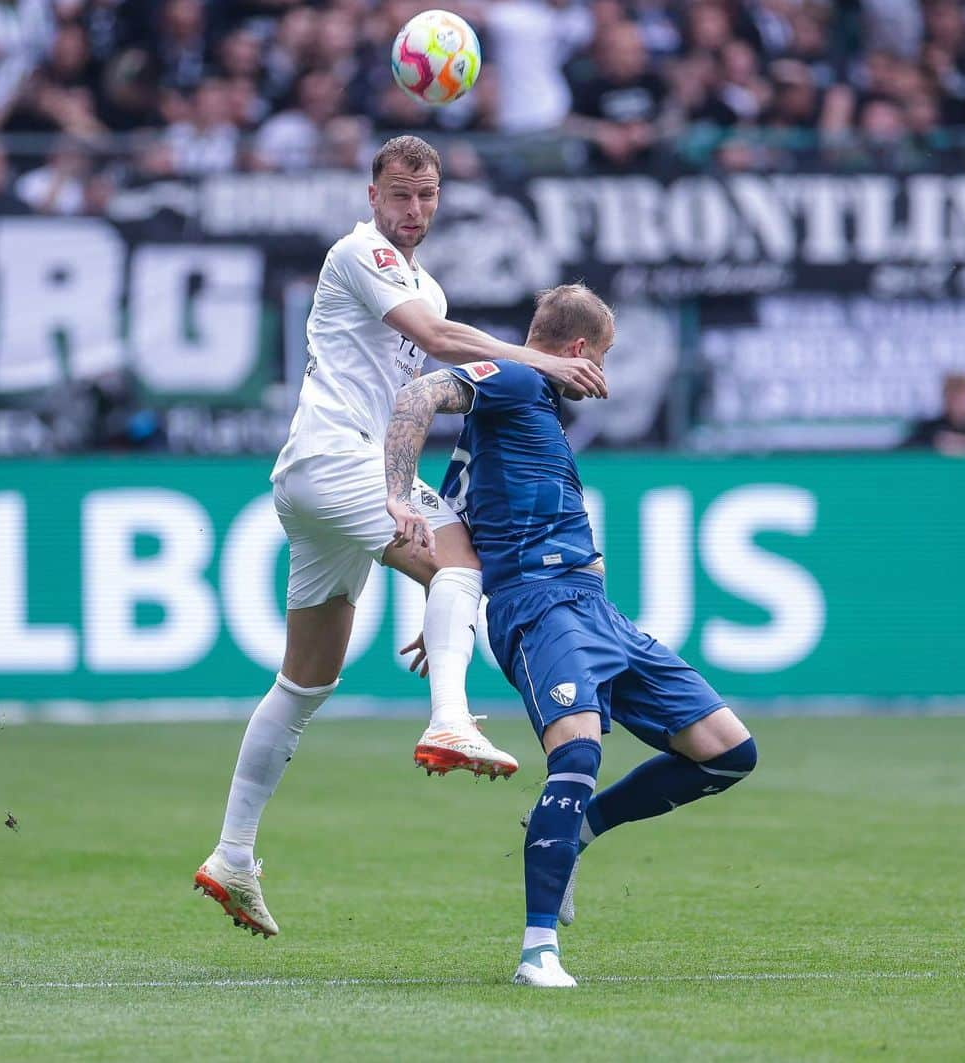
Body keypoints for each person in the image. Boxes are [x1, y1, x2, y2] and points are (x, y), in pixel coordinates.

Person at [194, 137, 608, 939]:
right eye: (401, 195)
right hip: (334, 454)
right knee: (465, 557)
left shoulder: (428, 280)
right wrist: (540, 361)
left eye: (427, 197)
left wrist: (434, 598)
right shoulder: (358, 252)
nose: (413, 211)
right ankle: (449, 715)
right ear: (373, 192)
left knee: (306, 679)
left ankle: (233, 854)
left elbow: (424, 391)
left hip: (322, 480)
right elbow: (440, 341)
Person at [383, 284, 757, 988]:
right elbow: (418, 395)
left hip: (596, 610)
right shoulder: (521, 379)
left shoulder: (532, 415)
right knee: (577, 750)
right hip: (542, 607)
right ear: (579, 351)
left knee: (728, 752)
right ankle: (538, 952)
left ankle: (576, 831)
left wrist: (449, 608)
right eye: (605, 359)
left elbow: (466, 519)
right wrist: (397, 493)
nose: (605, 378)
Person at [901, 372, 965, 456]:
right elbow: (908, 447)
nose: (957, 404)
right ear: (945, 398)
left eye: (961, 398)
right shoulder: (930, 429)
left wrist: (964, 443)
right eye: (953, 398)